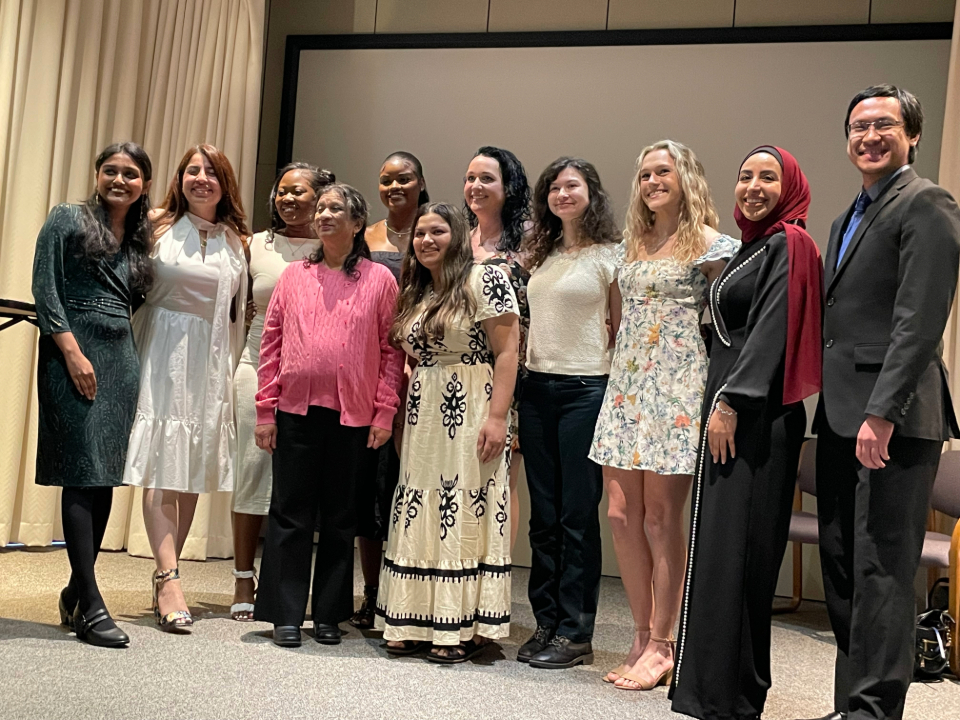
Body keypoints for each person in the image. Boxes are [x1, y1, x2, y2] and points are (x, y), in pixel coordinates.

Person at [805, 85, 960, 720]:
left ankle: (875, 713)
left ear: (911, 135)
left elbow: (920, 323)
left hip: (891, 419)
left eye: (884, 125)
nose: (869, 136)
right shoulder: (849, 216)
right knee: (845, 565)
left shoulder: (926, 203)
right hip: (844, 414)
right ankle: (852, 704)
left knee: (883, 570)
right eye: (858, 126)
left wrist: (881, 413)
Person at [669, 146, 824, 719]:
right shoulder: (753, 248)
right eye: (745, 176)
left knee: (741, 555)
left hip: (755, 418)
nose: (753, 186)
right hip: (728, 411)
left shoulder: (790, 244)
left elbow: (770, 329)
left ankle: (732, 695)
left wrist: (733, 398)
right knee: (720, 550)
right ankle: (714, 687)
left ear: (791, 187)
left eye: (768, 176)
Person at [590, 140, 738, 689]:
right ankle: (638, 631)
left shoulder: (713, 245)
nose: (652, 181)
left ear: (687, 177)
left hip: (677, 385)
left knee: (659, 516)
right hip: (628, 385)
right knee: (621, 514)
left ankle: (663, 641)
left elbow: (733, 324)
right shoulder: (633, 242)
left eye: (663, 171)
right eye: (645, 174)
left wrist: (725, 398)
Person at [253, 184, 404, 648]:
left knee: (341, 517)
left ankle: (329, 614)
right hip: (295, 410)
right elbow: (272, 342)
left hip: (354, 417)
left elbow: (390, 352)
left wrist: (384, 412)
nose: (324, 214)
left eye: (335, 208)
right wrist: (265, 409)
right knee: (289, 513)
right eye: (321, 208)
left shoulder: (380, 280)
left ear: (358, 223)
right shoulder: (295, 276)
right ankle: (284, 612)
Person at [375, 202, 519, 664]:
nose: (427, 241)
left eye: (438, 231)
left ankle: (459, 624)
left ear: (457, 235)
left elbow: (508, 352)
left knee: (463, 503)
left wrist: (498, 418)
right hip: (425, 414)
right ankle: (412, 617)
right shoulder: (417, 289)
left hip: (474, 404)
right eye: (420, 233)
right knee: (420, 503)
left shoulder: (485, 279)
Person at [32, 142, 154, 647]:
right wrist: (71, 351)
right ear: (97, 174)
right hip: (72, 354)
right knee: (81, 472)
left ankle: (76, 589)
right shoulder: (67, 217)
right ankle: (92, 605)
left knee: (103, 476)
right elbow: (45, 287)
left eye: (131, 174)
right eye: (111, 171)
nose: (119, 180)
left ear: (144, 183)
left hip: (119, 358)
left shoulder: (143, 238)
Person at [123, 144, 249, 632]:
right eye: (193, 170)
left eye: (212, 172)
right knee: (161, 462)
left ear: (226, 183)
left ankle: (167, 574)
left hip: (211, 359)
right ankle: (169, 577)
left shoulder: (239, 241)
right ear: (179, 179)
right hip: (162, 352)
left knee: (194, 465)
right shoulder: (153, 224)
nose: (202, 178)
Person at [518, 157, 622, 669]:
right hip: (537, 389)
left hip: (587, 388)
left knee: (577, 515)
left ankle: (576, 632)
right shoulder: (542, 254)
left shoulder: (611, 255)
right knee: (544, 516)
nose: (562, 194)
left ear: (591, 193)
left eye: (572, 186)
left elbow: (620, 332)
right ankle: (546, 622)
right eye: (554, 188)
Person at [231, 163, 334, 621]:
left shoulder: (333, 245)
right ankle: (241, 577)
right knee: (253, 470)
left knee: (301, 483)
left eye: (300, 192)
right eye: (283, 192)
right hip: (257, 364)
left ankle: (290, 583)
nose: (289, 199)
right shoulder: (254, 245)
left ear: (322, 198)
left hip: (314, 374)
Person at [351, 151, 429, 630]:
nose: (394, 186)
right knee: (371, 488)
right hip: (376, 367)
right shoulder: (366, 237)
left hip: (426, 369)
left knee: (414, 483)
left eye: (404, 178)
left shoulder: (436, 229)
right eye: (386, 180)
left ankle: (415, 591)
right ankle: (374, 591)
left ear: (422, 183)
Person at [464, 146, 532, 550]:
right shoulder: (460, 236)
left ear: (509, 186)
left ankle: (494, 581)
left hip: (513, 374)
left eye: (486, 178)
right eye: (470, 178)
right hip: (463, 373)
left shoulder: (532, 237)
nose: (475, 186)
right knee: (466, 476)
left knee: (501, 479)